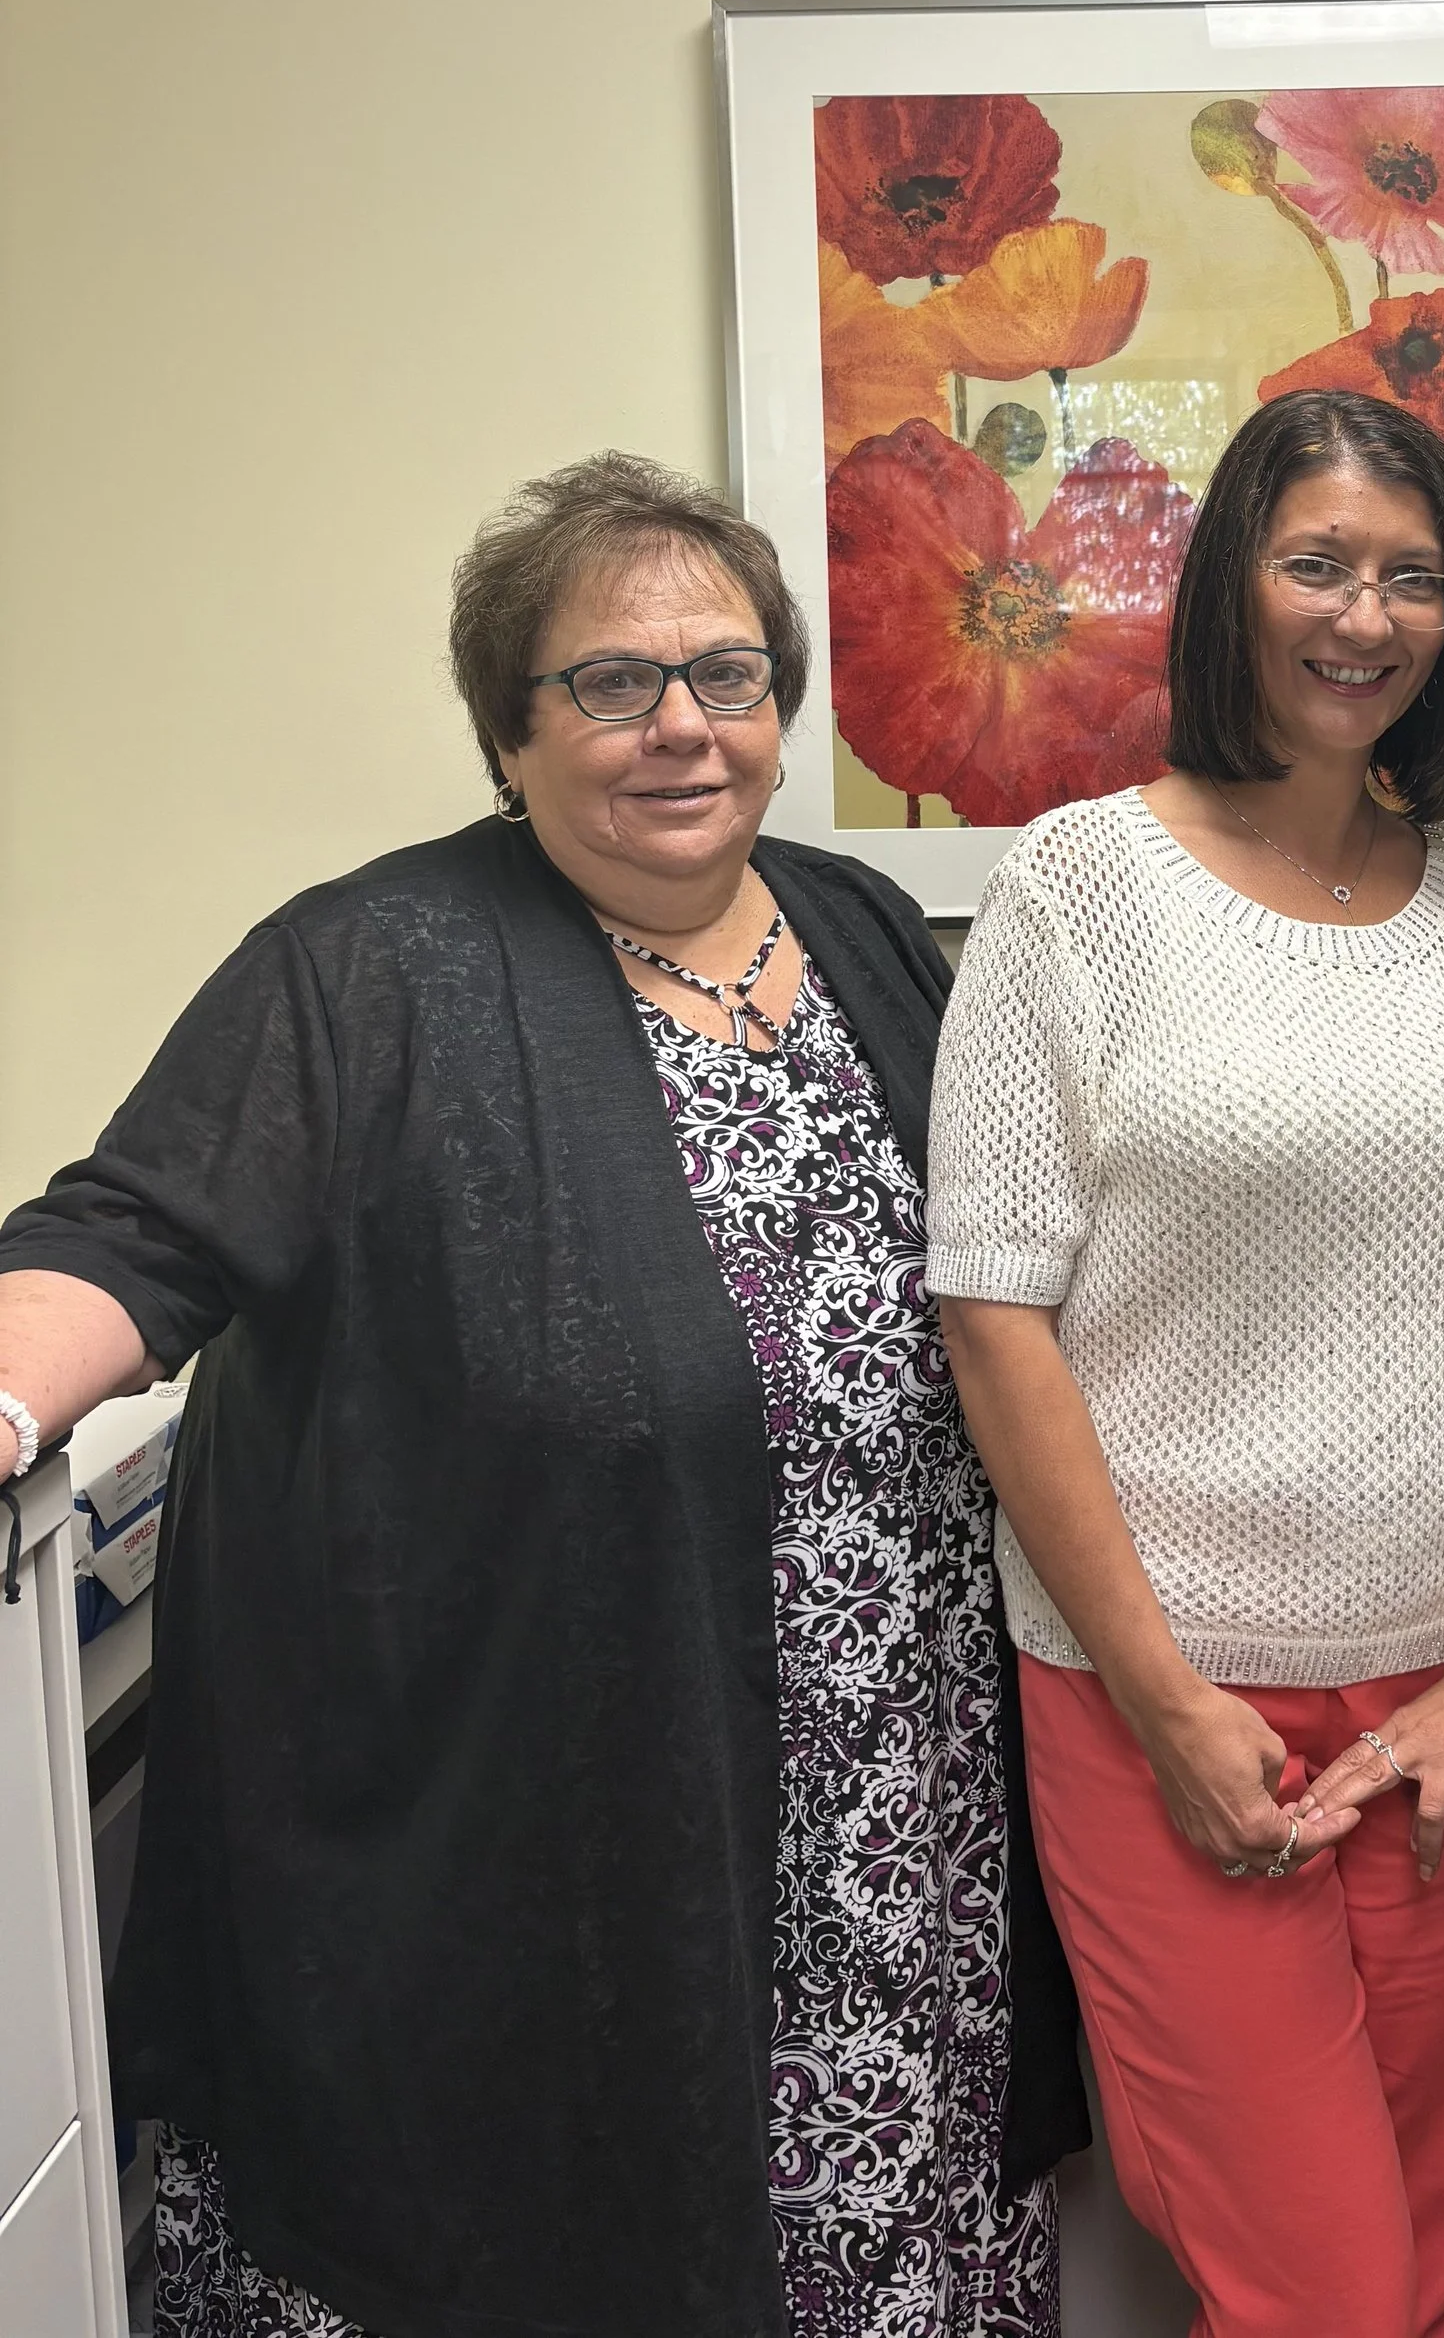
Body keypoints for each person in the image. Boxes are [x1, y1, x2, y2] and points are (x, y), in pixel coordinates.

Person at [0, 454, 1083, 2338]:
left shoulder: (863, 934)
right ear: (511, 726)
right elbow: (135, 1233)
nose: (681, 726)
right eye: (610, 682)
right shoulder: (368, 966)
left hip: (894, 1801)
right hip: (545, 1796)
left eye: (728, 676)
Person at [926, 387, 1444, 2338]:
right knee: (1309, 2276)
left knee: (1419, 2229)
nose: (1364, 614)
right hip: (1166, 1694)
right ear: (1230, 581)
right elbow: (993, 1311)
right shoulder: (1076, 890)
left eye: (1414, 577)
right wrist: (1156, 1693)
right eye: (1315, 560)